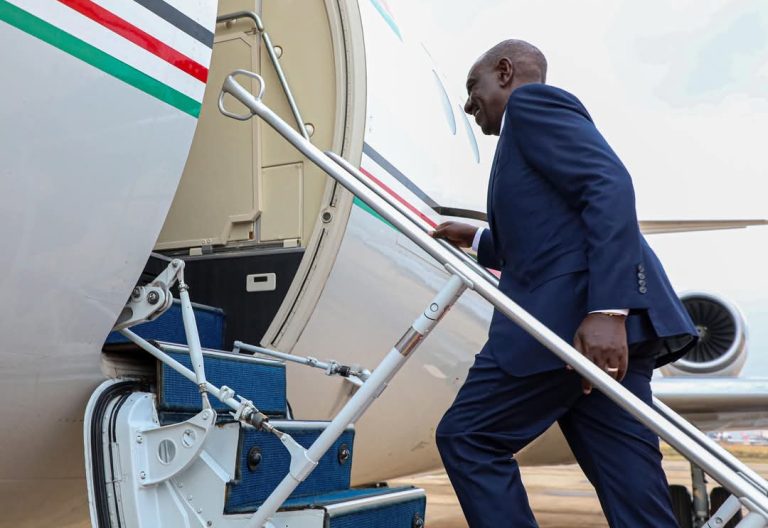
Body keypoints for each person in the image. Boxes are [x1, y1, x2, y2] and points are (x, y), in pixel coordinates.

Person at [431, 39, 698, 527]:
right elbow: (548, 236)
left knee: (468, 437)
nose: (469, 103)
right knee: (634, 493)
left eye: (474, 87)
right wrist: (480, 239)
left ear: (506, 72)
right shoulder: (524, 140)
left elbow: (607, 183)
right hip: (596, 336)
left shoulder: (531, 107)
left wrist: (607, 310)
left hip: (569, 325)